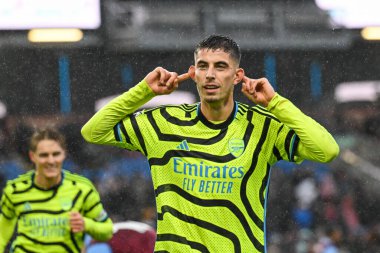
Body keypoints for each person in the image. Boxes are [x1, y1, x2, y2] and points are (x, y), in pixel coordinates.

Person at [81, 34, 339, 252]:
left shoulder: (263, 127)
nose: (210, 75)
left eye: (220, 66)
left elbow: (327, 150)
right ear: (193, 73)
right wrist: (144, 91)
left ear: (237, 76)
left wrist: (275, 102)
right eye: (203, 66)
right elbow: (93, 132)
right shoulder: (164, 123)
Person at [0, 127, 113, 252]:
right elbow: (2, 235)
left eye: (56, 154)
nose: (51, 161)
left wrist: (86, 224)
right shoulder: (15, 190)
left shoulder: (82, 189)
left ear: (64, 154)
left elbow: (107, 231)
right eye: (44, 155)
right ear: (32, 156)